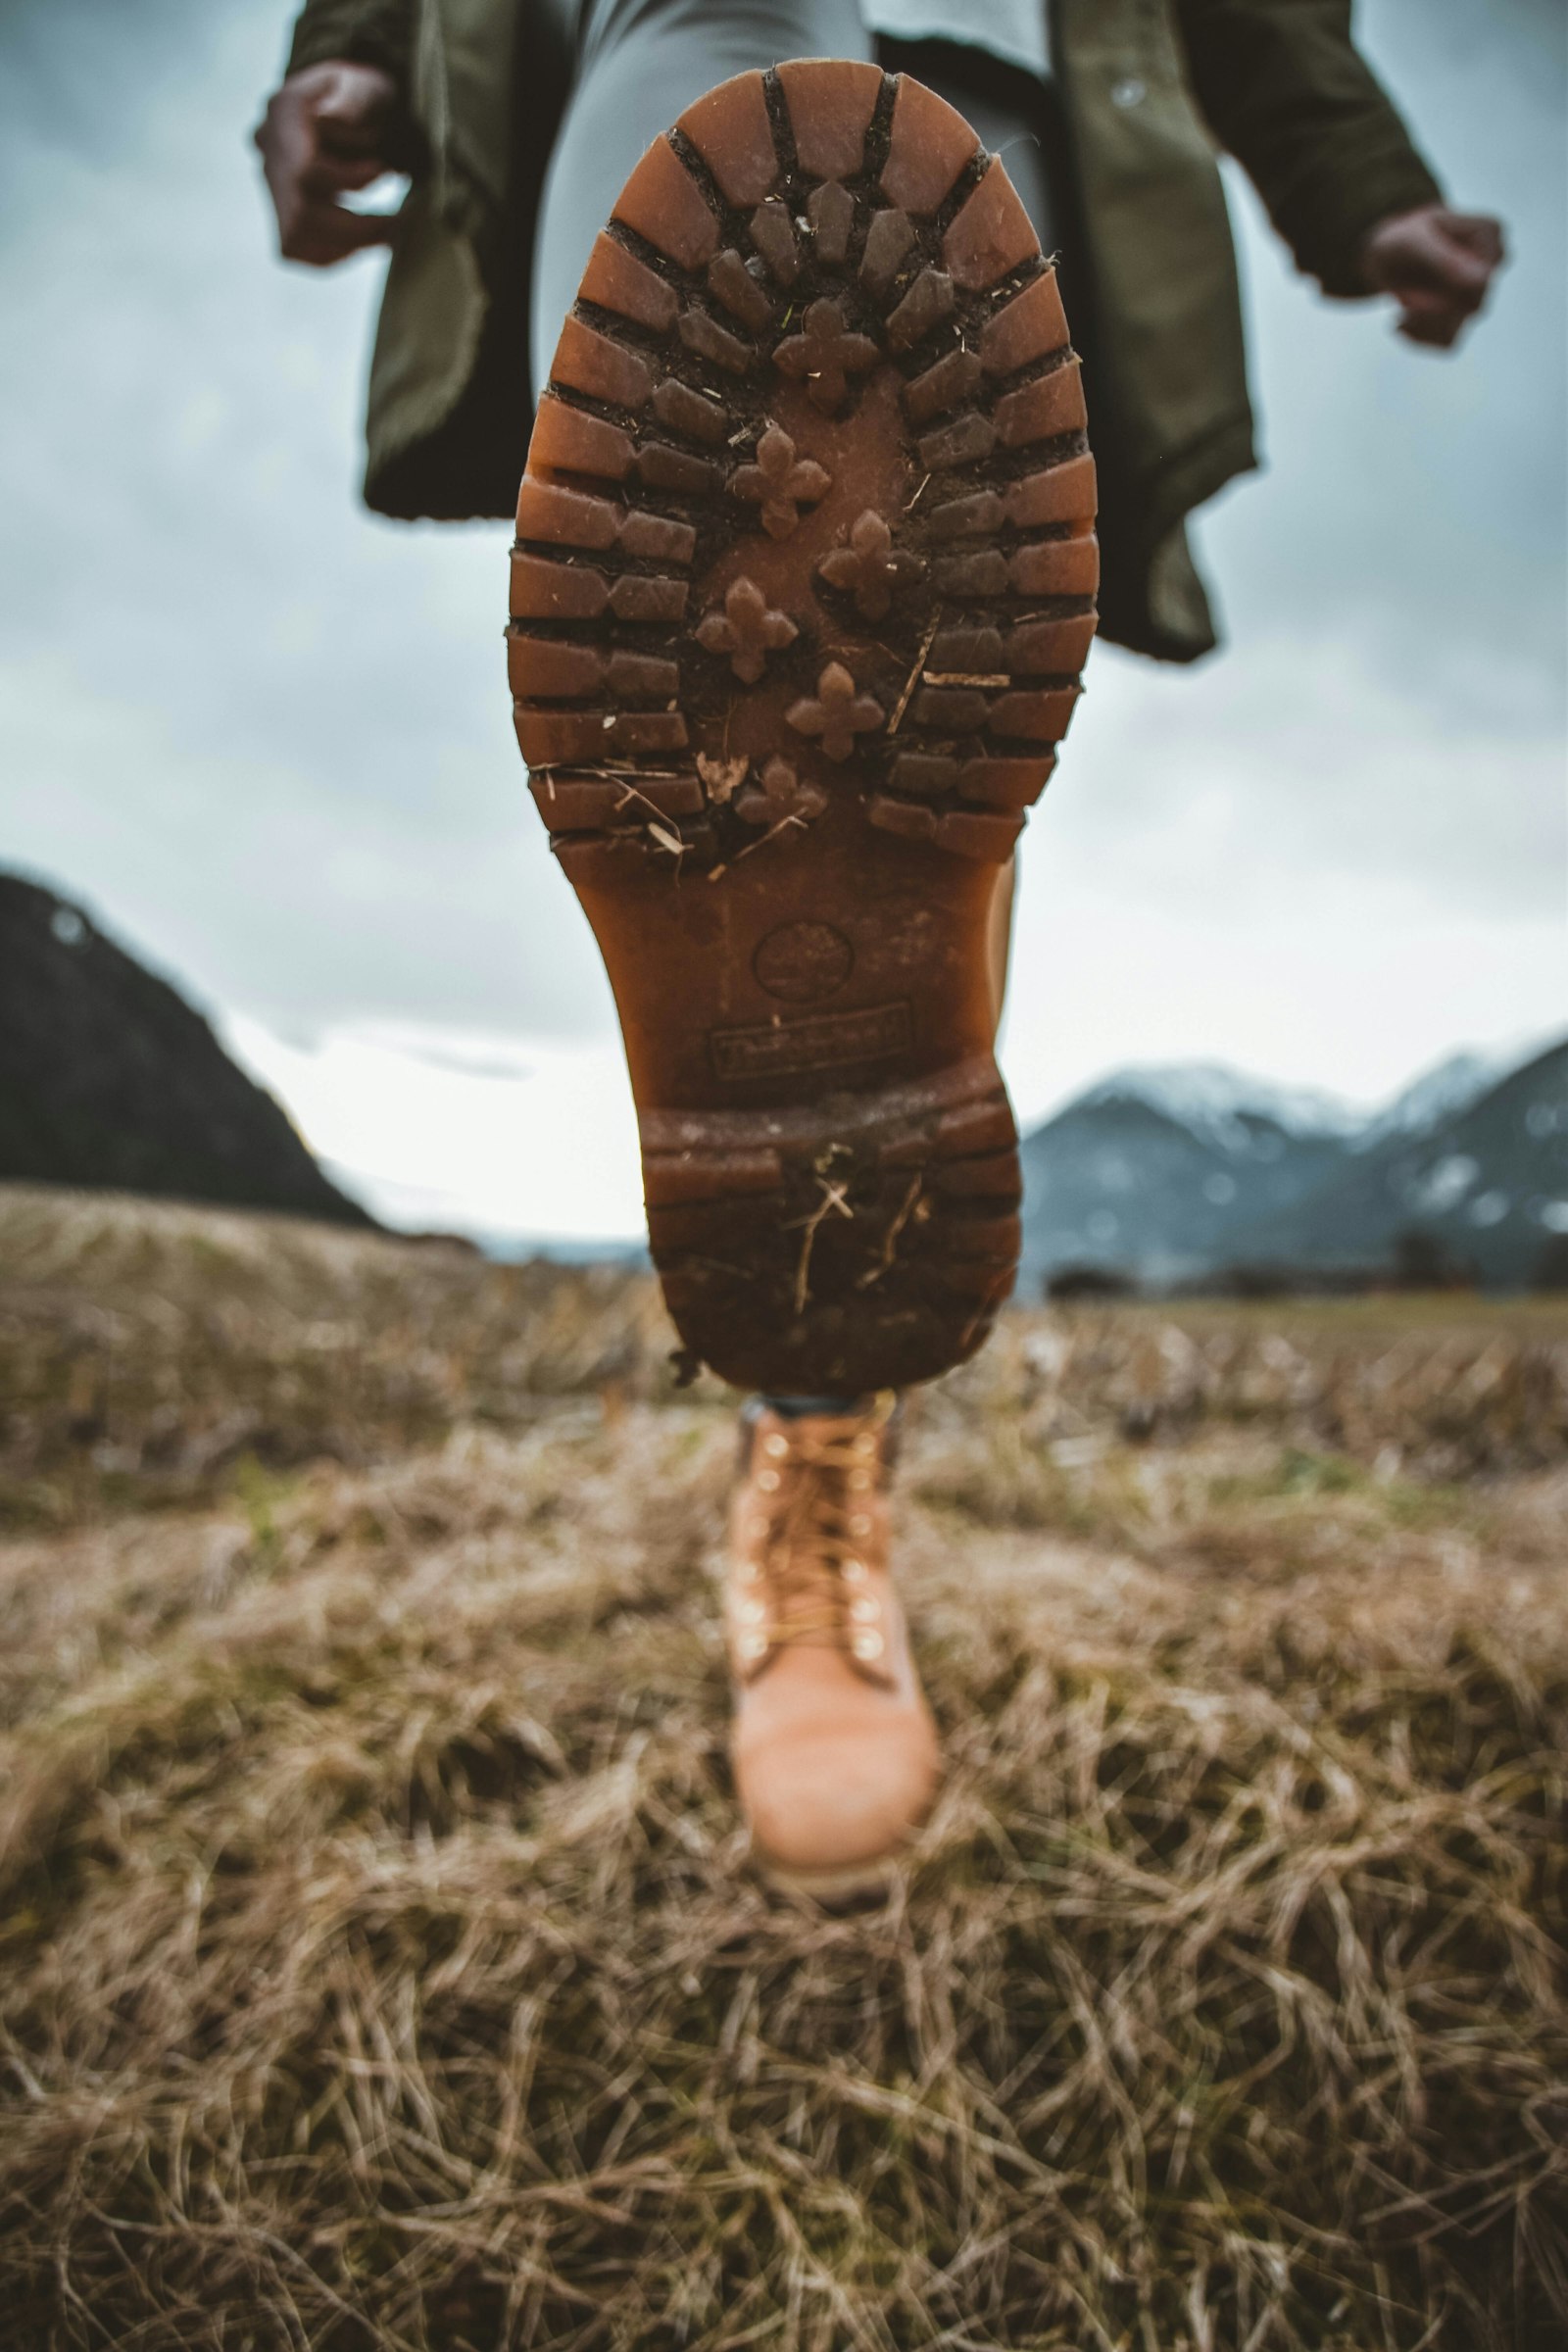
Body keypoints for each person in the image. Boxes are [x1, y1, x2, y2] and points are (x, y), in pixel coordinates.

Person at [257, 1, 1502, 1898]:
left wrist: (1363, 192)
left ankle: (814, 1439)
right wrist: (358, 45)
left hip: (1004, 74)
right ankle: (813, 1443)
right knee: (756, 603)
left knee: (899, 739)